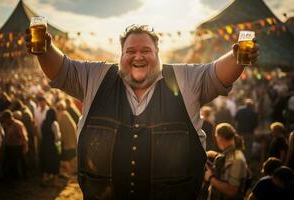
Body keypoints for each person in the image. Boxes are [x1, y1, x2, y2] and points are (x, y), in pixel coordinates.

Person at [25, 24, 259, 199]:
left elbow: (215, 74)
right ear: (121, 55)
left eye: (146, 50)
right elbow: (63, 70)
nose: (138, 56)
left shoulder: (184, 79)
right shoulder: (95, 77)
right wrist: (44, 50)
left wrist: (238, 56)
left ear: (158, 53)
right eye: (131, 51)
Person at [204, 123, 248, 200]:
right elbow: (226, 158)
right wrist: (215, 154)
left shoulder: (236, 160)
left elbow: (232, 191)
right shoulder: (233, 153)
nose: (216, 140)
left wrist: (210, 177)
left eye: (216, 137)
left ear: (221, 137)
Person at [39, 108, 61, 187]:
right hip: (52, 146)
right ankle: (55, 182)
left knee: (45, 161)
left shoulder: (43, 122)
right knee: (55, 162)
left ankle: (44, 179)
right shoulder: (54, 123)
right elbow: (57, 137)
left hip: (44, 145)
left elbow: (40, 134)